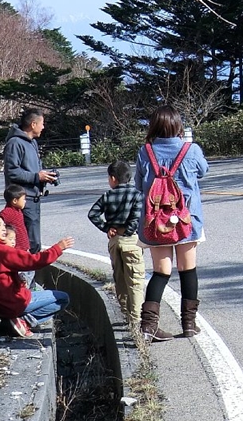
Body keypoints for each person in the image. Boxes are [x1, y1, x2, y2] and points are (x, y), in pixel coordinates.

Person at [134, 105, 209, 342]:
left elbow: (139, 185)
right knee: (188, 270)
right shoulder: (191, 149)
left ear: (153, 126)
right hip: (187, 219)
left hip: (156, 222)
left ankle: (148, 327)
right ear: (177, 125)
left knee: (161, 272)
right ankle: (189, 325)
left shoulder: (145, 152)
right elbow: (203, 171)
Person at [0, 213, 74, 338]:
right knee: (62, 298)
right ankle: (24, 322)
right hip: (13, 303)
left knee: (39, 292)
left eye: (4, 225)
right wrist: (58, 248)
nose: (3, 228)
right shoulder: (0, 251)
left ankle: (16, 321)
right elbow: (34, 261)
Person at [88, 160, 146, 325]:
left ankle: (125, 314)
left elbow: (93, 214)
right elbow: (136, 218)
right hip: (132, 241)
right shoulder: (137, 195)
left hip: (114, 241)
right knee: (135, 280)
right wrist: (127, 231)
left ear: (113, 178)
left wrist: (107, 227)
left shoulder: (107, 196)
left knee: (119, 279)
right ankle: (136, 319)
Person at [3, 107, 57, 253]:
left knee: (35, 241)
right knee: (27, 243)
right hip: (22, 200)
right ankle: (28, 267)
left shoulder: (32, 143)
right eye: (42, 123)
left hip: (34, 198)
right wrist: (36, 177)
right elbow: (12, 172)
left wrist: (46, 177)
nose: (43, 127)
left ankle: (33, 265)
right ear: (33, 124)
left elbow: (33, 169)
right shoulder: (15, 143)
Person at [0, 184, 34, 286]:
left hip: (24, 247)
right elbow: (0, 224)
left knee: (31, 268)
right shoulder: (7, 213)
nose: (25, 201)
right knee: (25, 269)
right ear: (15, 201)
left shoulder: (18, 210)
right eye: (23, 199)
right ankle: (23, 285)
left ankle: (27, 285)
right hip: (17, 248)